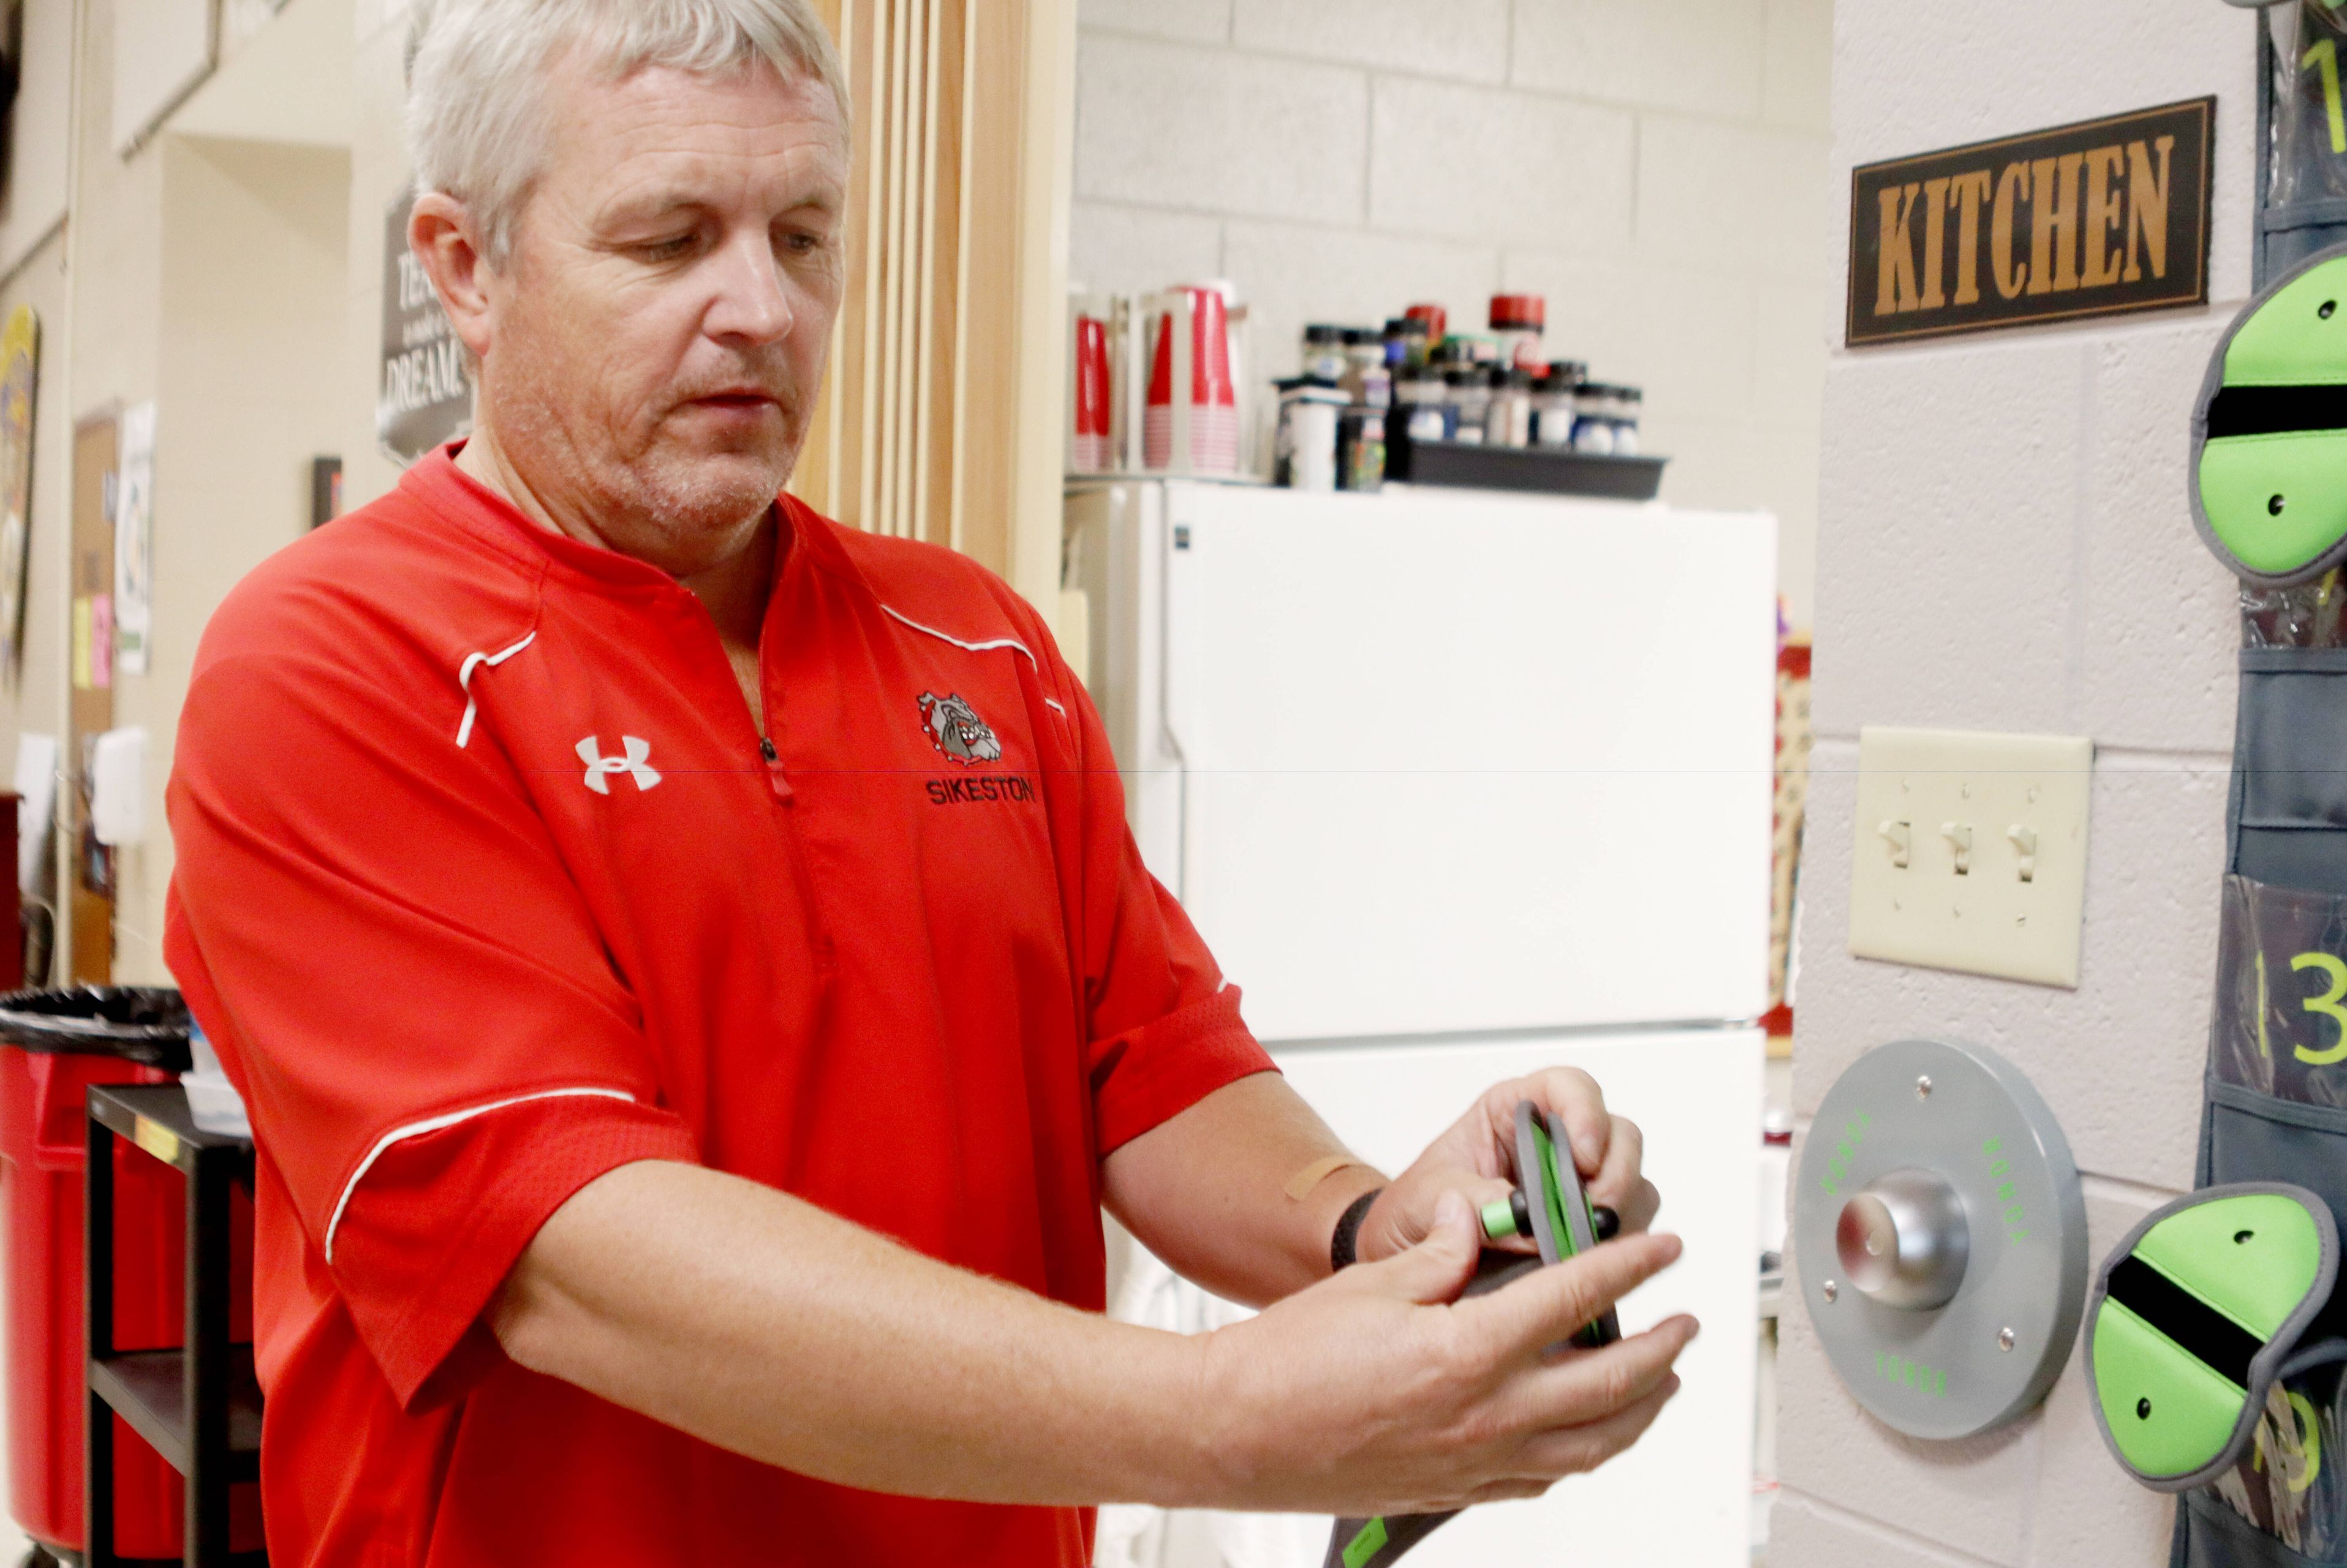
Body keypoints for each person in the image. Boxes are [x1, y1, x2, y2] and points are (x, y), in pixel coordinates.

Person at [162, 2, 1698, 1564]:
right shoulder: (330, 663)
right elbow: (567, 1248)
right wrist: (1229, 1410)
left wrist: (1372, 1222)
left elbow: (1148, 1061)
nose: (760, 307)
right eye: (669, 238)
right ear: (466, 266)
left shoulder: (974, 640)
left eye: (805, 234)